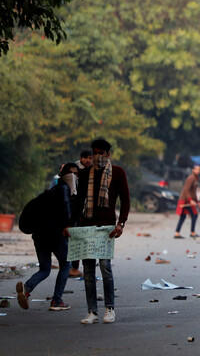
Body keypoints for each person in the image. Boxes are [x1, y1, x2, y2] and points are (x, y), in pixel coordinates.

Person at [75, 138, 130, 324]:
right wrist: (69, 225)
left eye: (101, 153)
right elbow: (77, 202)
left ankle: (110, 309)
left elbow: (125, 200)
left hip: (107, 228)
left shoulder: (118, 173)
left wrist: (121, 223)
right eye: (94, 153)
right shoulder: (85, 175)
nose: (97, 156)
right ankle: (92, 311)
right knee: (88, 271)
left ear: (108, 154)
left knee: (105, 268)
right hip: (86, 227)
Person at [16, 163, 78, 312]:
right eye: (70, 173)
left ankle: (26, 288)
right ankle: (57, 300)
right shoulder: (64, 190)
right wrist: (68, 224)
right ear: (63, 175)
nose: (73, 176)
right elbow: (65, 210)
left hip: (39, 236)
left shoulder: (50, 192)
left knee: (45, 269)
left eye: (75, 173)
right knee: (66, 264)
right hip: (55, 235)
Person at [70, 150, 93, 278]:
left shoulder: (93, 171)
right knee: (76, 240)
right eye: (86, 158)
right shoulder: (75, 170)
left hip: (88, 210)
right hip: (76, 210)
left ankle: (82, 268)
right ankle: (74, 268)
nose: (88, 160)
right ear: (81, 158)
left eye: (90, 158)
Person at [174, 165, 200, 239]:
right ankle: (192, 232)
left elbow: (193, 192)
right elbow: (186, 190)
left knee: (183, 217)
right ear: (193, 170)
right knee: (194, 215)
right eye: (196, 169)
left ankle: (177, 233)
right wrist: (191, 200)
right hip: (186, 200)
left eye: (199, 169)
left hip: (189, 199)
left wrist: (197, 201)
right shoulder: (191, 178)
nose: (198, 171)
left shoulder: (196, 178)